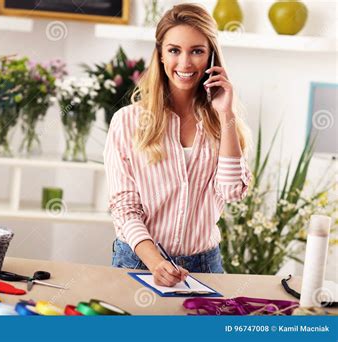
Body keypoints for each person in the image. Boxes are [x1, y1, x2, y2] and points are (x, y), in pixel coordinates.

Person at [104, 3, 252, 287]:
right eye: (174, 50)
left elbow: (232, 191)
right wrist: (156, 262)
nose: (185, 63)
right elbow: (124, 208)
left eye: (197, 51)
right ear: (160, 54)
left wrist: (227, 115)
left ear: (210, 57)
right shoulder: (127, 122)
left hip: (204, 265)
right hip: (138, 262)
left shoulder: (224, 122)